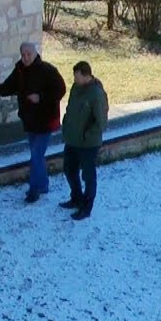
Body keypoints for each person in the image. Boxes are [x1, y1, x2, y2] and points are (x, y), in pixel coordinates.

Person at [0, 42, 66, 203]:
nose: (26, 57)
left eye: (29, 54)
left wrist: (40, 97)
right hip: (30, 120)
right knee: (37, 155)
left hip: (45, 120)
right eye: (23, 55)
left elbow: (60, 90)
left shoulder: (48, 70)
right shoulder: (20, 71)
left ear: (35, 53)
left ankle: (34, 189)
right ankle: (43, 185)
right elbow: (7, 87)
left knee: (36, 156)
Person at [59, 60, 108, 221]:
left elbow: (101, 121)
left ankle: (86, 207)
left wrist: (87, 135)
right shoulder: (76, 88)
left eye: (77, 77)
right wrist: (66, 124)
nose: (75, 80)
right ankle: (76, 198)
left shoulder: (96, 94)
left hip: (88, 144)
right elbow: (70, 109)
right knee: (69, 169)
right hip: (72, 139)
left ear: (86, 76)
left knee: (88, 176)